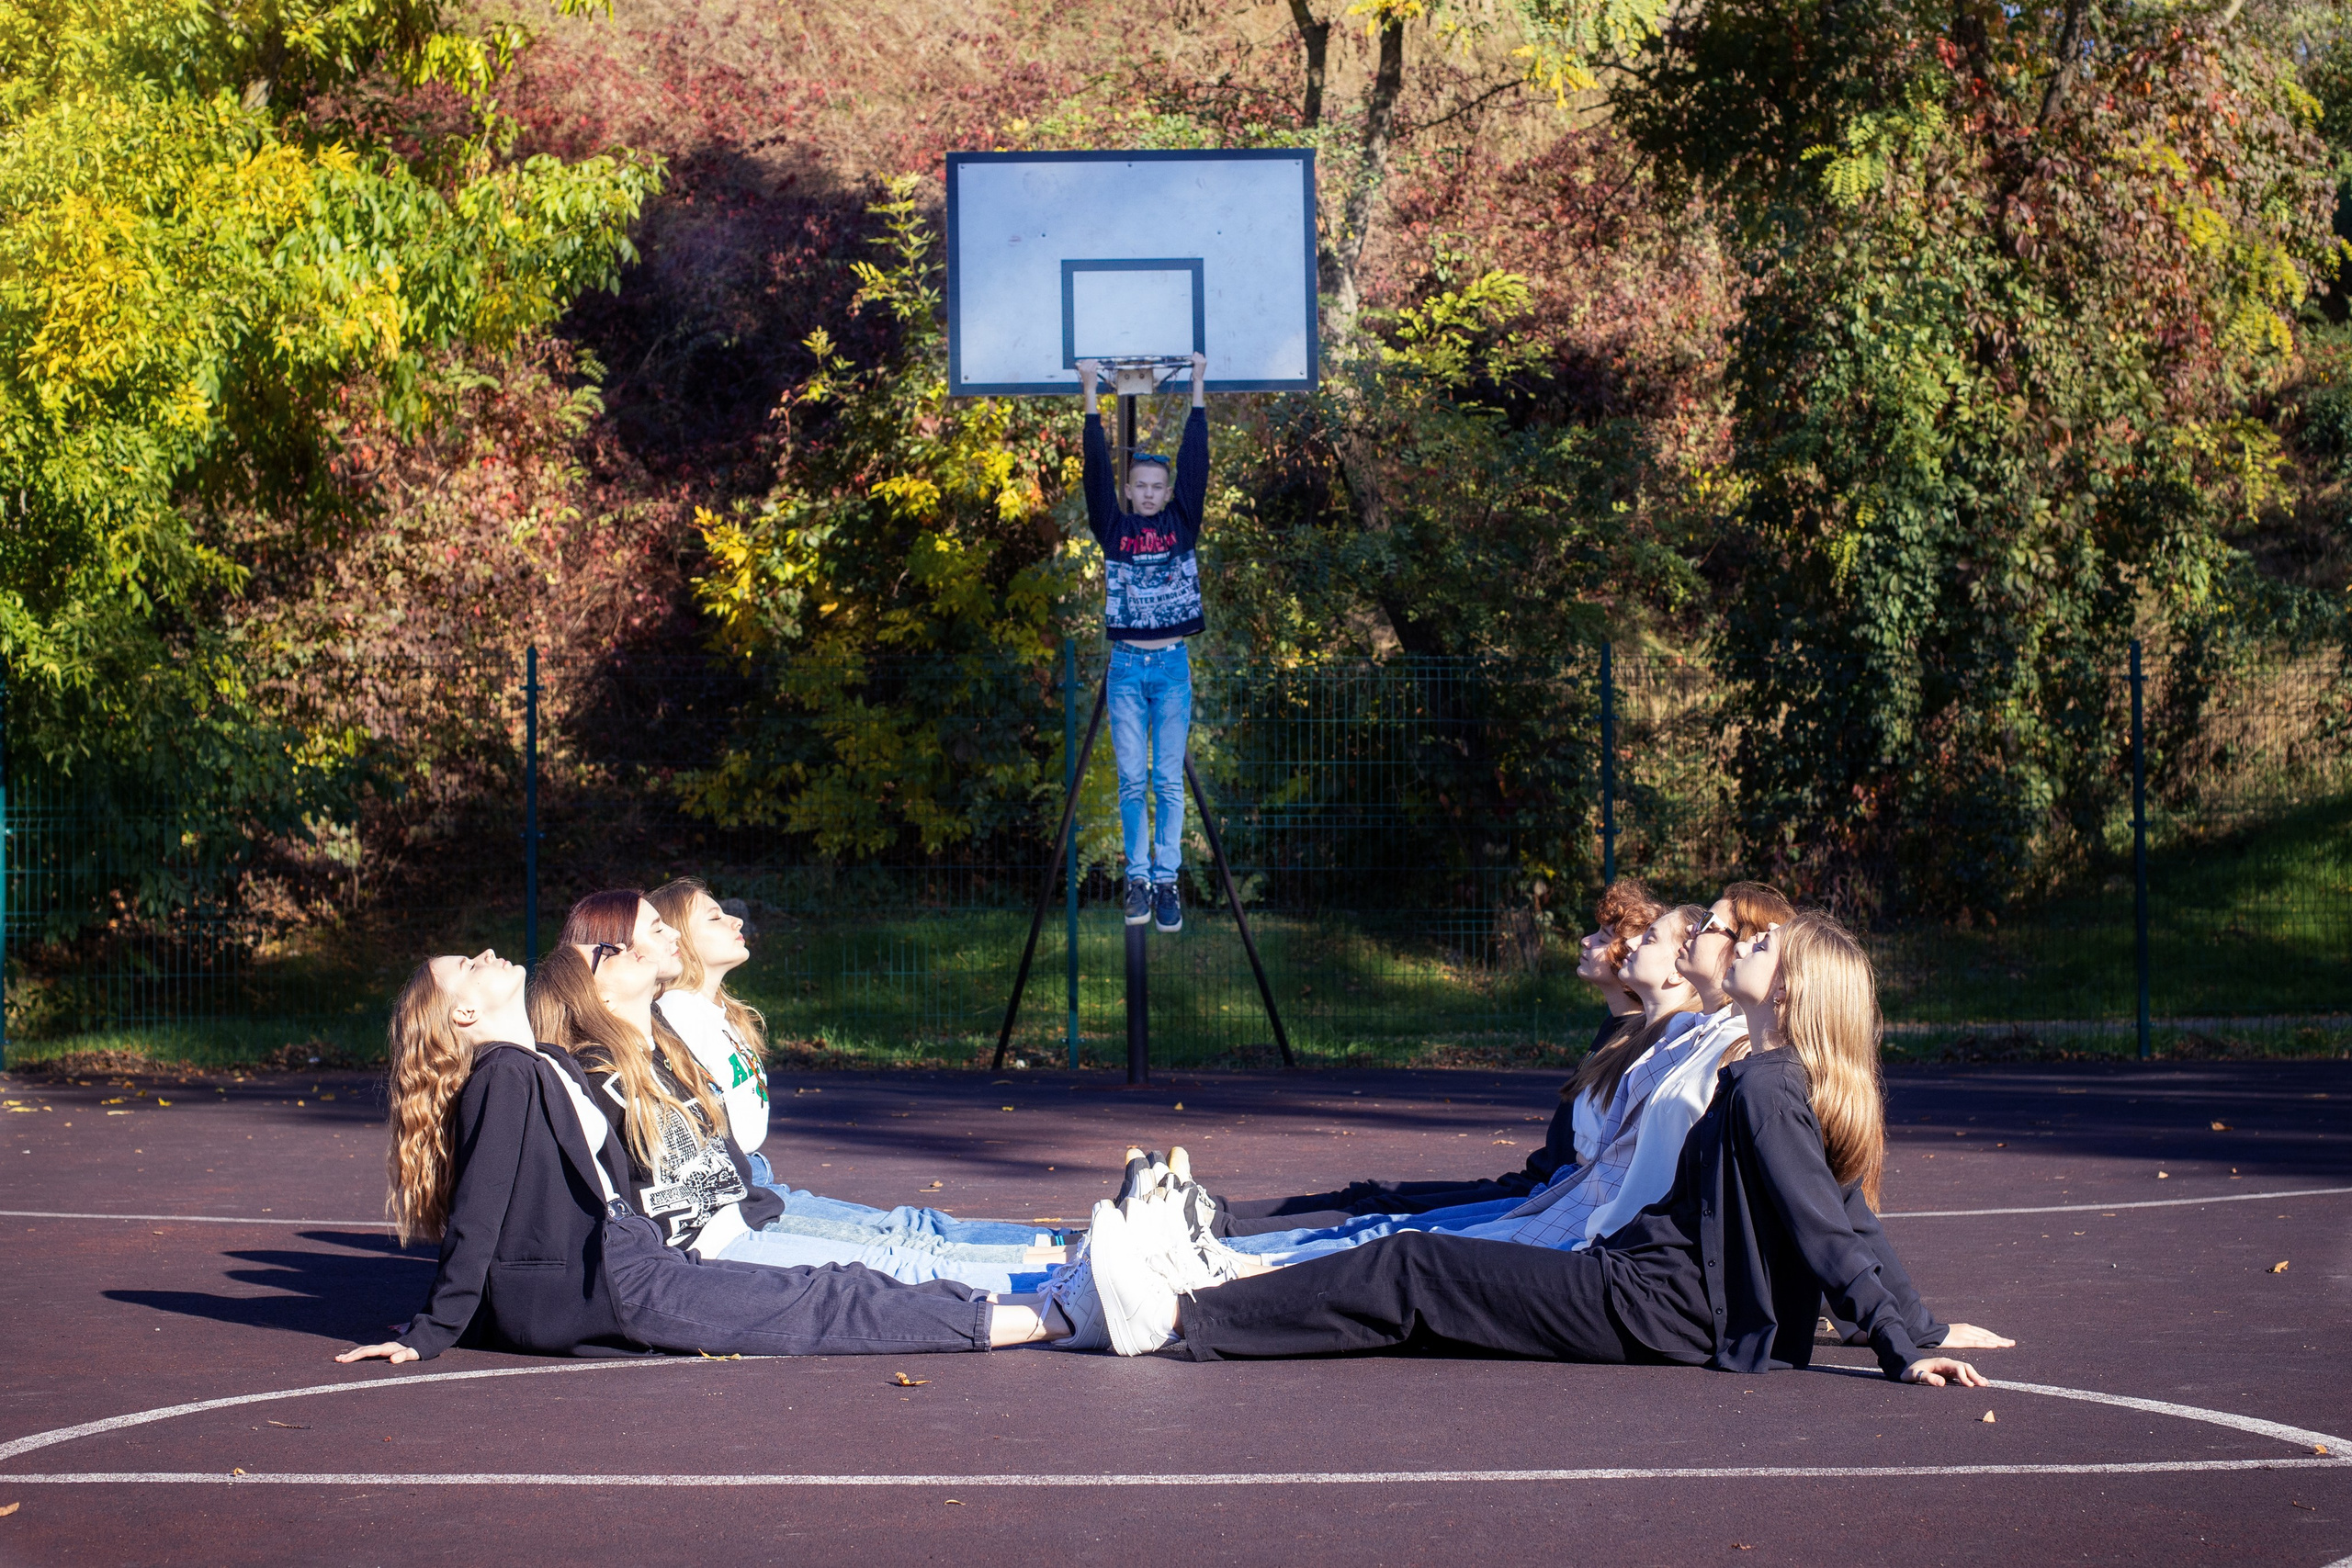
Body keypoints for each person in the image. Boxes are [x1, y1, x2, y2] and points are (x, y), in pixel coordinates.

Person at [1063, 909, 2017, 1386]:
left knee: (1413, 1265)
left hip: (1656, 1306)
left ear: (1795, 991)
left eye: (1765, 948)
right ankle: (1190, 1314)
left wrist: (1901, 1346)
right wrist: (1920, 1330)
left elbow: (1828, 1231)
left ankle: (1176, 1317)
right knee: (1421, 1280)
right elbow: (1848, 1214)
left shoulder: (1768, 1085)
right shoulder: (1772, 1081)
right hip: (1647, 1289)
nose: (1747, 948)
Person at [338, 950, 1065, 1365]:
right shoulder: (501, 1075)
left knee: (829, 1281)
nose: (486, 955)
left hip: (637, 1258)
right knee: (817, 1304)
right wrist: (435, 1328)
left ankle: (1051, 1306)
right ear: (464, 1012)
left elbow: (604, 1188)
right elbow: (480, 1214)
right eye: (468, 965)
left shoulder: (548, 1061)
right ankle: (1056, 1316)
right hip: (613, 1283)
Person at [531, 933, 1059, 1292]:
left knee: (904, 1246)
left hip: (739, 1214)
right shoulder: (597, 1077)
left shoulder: (658, 1051)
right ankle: (1066, 1284)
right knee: (898, 1259)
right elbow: (620, 1196)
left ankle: (1068, 1268)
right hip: (710, 1244)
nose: (629, 948)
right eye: (608, 951)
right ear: (595, 993)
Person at [1205, 878, 1663, 1233]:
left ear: (1630, 958)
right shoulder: (1613, 1027)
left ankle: (1220, 1231)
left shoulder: (1635, 1044)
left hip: (1536, 1196)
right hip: (1528, 1182)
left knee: (1380, 1214)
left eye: (1604, 937)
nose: (1586, 940)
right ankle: (1214, 1214)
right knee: (1370, 1194)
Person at [1077, 350, 1209, 935]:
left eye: (1159, 486)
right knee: (1133, 780)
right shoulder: (1114, 528)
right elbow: (1094, 473)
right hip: (1127, 670)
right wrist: (1091, 394)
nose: (1150, 494)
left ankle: (1167, 879)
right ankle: (1137, 879)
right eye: (1141, 487)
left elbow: (1196, 462)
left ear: (1167, 491)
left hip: (1173, 667)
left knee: (1167, 781)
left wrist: (1198, 386)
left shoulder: (1182, 522)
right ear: (1129, 491)